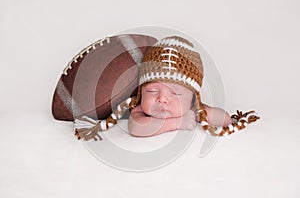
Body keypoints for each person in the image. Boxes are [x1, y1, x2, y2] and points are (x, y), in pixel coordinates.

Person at [74, 36, 259, 141]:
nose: (162, 99)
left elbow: (224, 118)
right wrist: (176, 123)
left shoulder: (195, 109)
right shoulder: (140, 112)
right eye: (152, 91)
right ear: (140, 92)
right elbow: (136, 128)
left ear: (194, 98)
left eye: (176, 93)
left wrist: (223, 118)